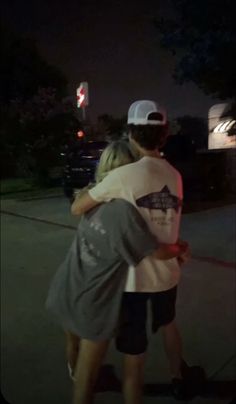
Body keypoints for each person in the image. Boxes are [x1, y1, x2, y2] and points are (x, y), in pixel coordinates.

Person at [46, 140, 189, 404]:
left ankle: (74, 373)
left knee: (77, 357)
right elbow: (156, 251)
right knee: (92, 378)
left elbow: (77, 207)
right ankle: (175, 375)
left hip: (67, 286)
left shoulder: (91, 197)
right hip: (95, 301)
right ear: (128, 171)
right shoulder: (123, 213)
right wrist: (180, 247)